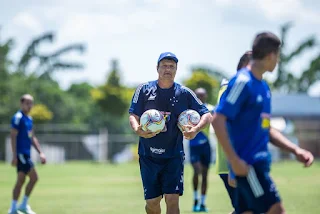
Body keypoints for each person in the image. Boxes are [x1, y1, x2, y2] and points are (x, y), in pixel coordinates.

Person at [212, 32, 314, 214]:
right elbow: (218, 120)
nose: (278, 61)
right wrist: (234, 161)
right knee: (275, 210)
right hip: (248, 166)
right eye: (278, 56)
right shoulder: (242, 82)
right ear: (271, 55)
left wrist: (295, 150)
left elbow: (266, 129)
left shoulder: (263, 87)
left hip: (257, 166)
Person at [128, 52, 212, 214]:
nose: (168, 69)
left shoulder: (184, 93)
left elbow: (207, 114)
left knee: (172, 199)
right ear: (157, 68)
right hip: (148, 156)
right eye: (164, 65)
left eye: (171, 66)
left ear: (176, 69)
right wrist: (137, 128)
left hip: (173, 155)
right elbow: (133, 114)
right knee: (152, 203)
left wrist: (195, 129)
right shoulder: (144, 89)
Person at [215, 51, 252, 214]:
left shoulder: (251, 87)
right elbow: (225, 123)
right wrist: (232, 165)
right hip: (233, 162)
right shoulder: (231, 88)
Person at [8, 94, 46, 214]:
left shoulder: (29, 119)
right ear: (21, 104)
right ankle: (23, 205)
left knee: (20, 181)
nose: (30, 105)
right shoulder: (18, 118)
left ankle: (13, 209)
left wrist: (40, 152)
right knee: (34, 178)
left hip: (26, 154)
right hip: (21, 155)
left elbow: (32, 137)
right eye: (27, 103)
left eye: (31, 103)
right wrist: (14, 155)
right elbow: (13, 136)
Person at [189, 88, 214, 212]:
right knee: (197, 170)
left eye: (202, 95)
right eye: (198, 95)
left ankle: (203, 203)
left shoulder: (210, 109)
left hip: (206, 145)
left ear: (206, 96)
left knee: (205, 175)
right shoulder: (189, 111)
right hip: (193, 145)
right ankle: (195, 199)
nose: (200, 97)